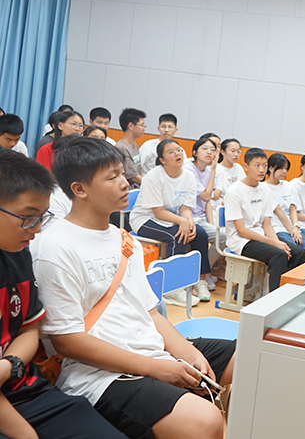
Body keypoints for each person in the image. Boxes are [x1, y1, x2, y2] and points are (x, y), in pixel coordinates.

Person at [32, 138, 234, 439]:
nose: (125, 182)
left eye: (122, 173)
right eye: (112, 177)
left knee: (254, 358)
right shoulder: (54, 246)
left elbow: (150, 312)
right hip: (99, 373)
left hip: (150, 348)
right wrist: (157, 368)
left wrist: (186, 351)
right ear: (80, 189)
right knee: (204, 421)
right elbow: (68, 342)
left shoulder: (126, 240)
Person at [0, 148, 128, 439]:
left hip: (22, 387)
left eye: (41, 217)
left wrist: (11, 364)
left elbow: (29, 329)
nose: (36, 229)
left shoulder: (17, 252)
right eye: (27, 217)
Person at [129, 139, 213, 304]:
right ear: (162, 159)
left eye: (179, 150)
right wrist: (182, 222)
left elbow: (185, 208)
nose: (177, 154)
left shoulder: (188, 176)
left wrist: (189, 222)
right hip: (145, 218)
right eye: (171, 152)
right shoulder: (153, 176)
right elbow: (158, 211)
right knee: (177, 236)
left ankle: (200, 281)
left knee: (200, 234)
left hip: (171, 218)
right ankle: (172, 289)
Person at [225, 148, 305, 292]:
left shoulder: (265, 190)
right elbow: (242, 231)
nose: (262, 170)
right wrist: (274, 243)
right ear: (246, 166)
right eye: (257, 165)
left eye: (264, 165)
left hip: (261, 236)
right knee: (279, 255)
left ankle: (292, 293)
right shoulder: (235, 191)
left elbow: (267, 224)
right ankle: (275, 299)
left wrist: (278, 242)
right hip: (241, 240)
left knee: (300, 252)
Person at [183, 137, 220, 292]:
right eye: (205, 148)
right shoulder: (189, 169)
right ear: (194, 153)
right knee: (213, 236)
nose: (209, 152)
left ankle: (205, 271)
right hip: (187, 216)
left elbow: (208, 201)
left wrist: (211, 224)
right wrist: (213, 170)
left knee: (223, 236)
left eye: (212, 149)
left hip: (202, 216)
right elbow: (206, 196)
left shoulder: (207, 170)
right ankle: (200, 275)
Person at [262, 153, 305, 252]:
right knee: (298, 251)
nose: (284, 172)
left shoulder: (288, 185)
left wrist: (295, 226)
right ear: (271, 168)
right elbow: (279, 212)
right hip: (278, 228)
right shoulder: (264, 187)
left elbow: (292, 208)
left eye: (286, 169)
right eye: (281, 168)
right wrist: (292, 231)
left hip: (293, 228)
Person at [116, 108, 146, 189]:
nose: (144, 128)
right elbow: (133, 177)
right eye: (141, 125)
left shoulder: (135, 145)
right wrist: (151, 184)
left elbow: (138, 171)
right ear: (131, 126)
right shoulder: (121, 147)